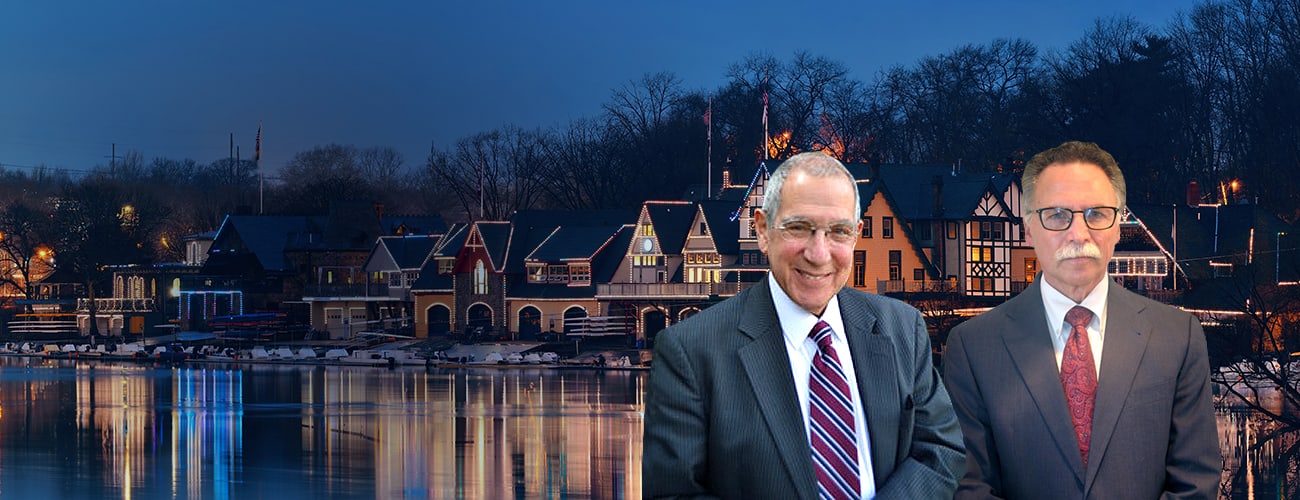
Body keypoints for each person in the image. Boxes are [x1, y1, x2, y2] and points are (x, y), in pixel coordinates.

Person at [643, 152, 964, 499]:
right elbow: (673, 494)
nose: (819, 253)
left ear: (856, 235)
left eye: (838, 232)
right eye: (799, 228)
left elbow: (941, 450)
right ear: (763, 230)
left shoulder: (901, 328)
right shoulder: (689, 350)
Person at [943, 141, 1221, 499]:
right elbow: (970, 486)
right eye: (1057, 215)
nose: (1078, 233)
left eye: (1097, 213)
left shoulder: (1177, 337)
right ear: (1028, 229)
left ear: (1119, 226)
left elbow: (1196, 481)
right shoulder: (973, 346)